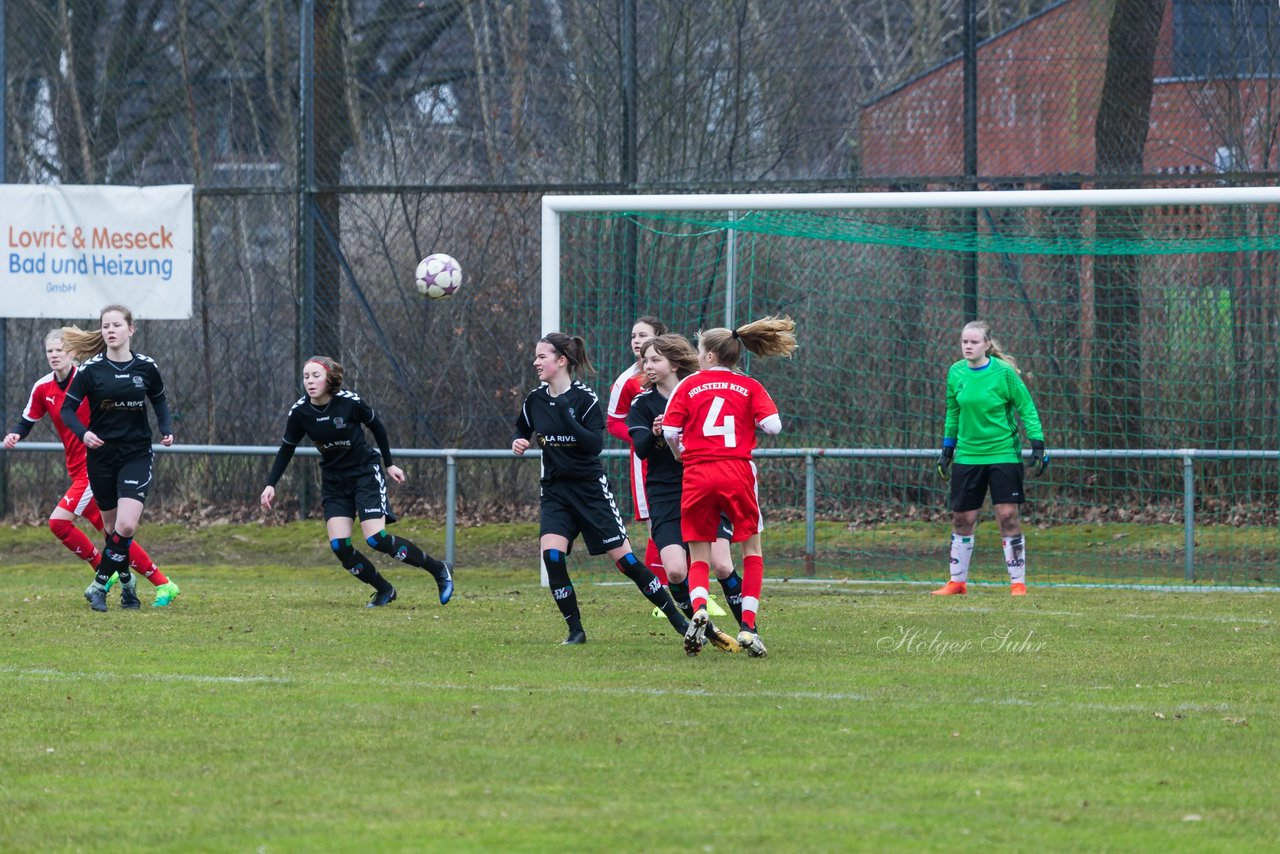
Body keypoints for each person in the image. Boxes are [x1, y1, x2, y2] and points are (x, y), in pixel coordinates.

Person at [512, 331, 690, 645]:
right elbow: (523, 426)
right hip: (555, 491)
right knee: (552, 557)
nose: (535, 361)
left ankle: (678, 620)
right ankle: (575, 631)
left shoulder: (585, 398)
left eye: (542, 356)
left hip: (590, 491)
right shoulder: (535, 399)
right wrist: (520, 439)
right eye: (536, 356)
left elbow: (594, 445)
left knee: (626, 563)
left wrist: (568, 416)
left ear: (561, 361)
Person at [4, 329, 180, 607]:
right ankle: (161, 583)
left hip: (96, 466)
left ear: (72, 353)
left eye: (59, 350)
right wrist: (15, 434)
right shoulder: (43, 387)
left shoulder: (89, 378)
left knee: (59, 522)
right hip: (77, 469)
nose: (54, 356)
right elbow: (27, 419)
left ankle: (103, 574)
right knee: (115, 535)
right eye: (49, 351)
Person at [260, 356, 453, 608]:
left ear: (330, 378)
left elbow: (377, 427)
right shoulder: (300, 412)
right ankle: (384, 590)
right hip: (334, 481)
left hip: (364, 473)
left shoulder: (349, 403)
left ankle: (439, 570)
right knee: (340, 546)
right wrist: (270, 484)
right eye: (306, 376)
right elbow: (286, 449)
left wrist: (389, 463)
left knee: (377, 539)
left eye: (316, 375)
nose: (310, 381)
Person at [662, 316, 797, 658]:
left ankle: (699, 609)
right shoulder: (750, 385)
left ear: (708, 356)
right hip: (737, 471)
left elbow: (669, 431)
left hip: (697, 473)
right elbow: (774, 427)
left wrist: (681, 455)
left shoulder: (688, 385)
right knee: (752, 552)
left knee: (699, 552)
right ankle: (748, 627)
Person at [626, 334, 744, 655]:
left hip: (702, 485)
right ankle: (704, 627)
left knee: (721, 564)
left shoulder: (697, 391)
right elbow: (641, 450)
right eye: (645, 361)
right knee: (676, 570)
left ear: (674, 364)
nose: (648, 366)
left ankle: (750, 630)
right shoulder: (642, 403)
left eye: (655, 360)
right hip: (665, 493)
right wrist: (655, 432)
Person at [59, 305, 175, 612]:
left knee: (125, 526)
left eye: (116, 325)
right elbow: (67, 410)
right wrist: (83, 434)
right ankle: (127, 584)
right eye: (105, 326)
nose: (110, 330)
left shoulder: (146, 367)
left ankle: (98, 586)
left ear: (130, 330)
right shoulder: (90, 370)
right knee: (112, 531)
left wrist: (166, 429)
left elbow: (160, 400)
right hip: (101, 458)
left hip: (136, 454)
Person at [933, 320, 1048, 596]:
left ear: (986, 344)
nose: (968, 346)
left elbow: (1026, 406)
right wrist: (947, 450)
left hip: (1002, 454)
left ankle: (1018, 583)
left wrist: (1038, 444)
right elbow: (953, 413)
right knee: (962, 518)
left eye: (974, 342)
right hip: (968, 456)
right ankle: (957, 582)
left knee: (1007, 515)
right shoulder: (956, 373)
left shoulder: (1004, 373)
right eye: (964, 342)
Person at [605, 316, 670, 588]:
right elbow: (613, 422)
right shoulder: (626, 381)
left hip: (681, 458)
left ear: (658, 338)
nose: (636, 341)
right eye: (633, 336)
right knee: (657, 523)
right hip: (646, 460)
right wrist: (639, 436)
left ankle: (692, 588)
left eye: (642, 336)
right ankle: (663, 590)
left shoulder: (676, 375)